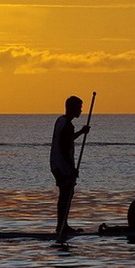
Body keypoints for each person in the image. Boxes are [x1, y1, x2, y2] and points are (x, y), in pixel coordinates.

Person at [50, 95, 89, 235]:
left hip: (56, 164)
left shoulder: (61, 121)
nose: (81, 110)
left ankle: (62, 224)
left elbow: (68, 140)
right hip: (62, 166)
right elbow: (64, 147)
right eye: (79, 107)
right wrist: (72, 169)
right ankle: (61, 226)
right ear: (73, 108)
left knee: (66, 194)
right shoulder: (67, 124)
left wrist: (81, 132)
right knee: (66, 195)